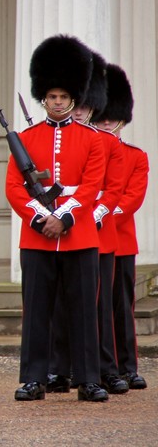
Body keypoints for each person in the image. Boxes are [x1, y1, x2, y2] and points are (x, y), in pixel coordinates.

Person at [6, 35, 108, 402]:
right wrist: (39, 219)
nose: (58, 102)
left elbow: (91, 186)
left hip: (78, 234)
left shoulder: (93, 140)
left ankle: (88, 377)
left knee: (82, 308)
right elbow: (15, 187)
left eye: (64, 97)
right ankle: (35, 377)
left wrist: (63, 218)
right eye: (52, 97)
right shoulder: (28, 138)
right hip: (37, 237)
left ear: (74, 99)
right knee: (36, 310)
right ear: (43, 99)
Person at [48, 52, 129, 395]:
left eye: (78, 103)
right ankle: (60, 369)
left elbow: (113, 190)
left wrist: (93, 215)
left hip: (99, 232)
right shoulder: (64, 136)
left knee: (99, 308)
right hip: (67, 230)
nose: (76, 109)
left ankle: (106, 369)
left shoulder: (108, 143)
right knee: (62, 308)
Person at [94, 63, 149, 390]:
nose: (107, 122)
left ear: (122, 118)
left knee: (120, 307)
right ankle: (102, 367)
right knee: (95, 308)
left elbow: (131, 198)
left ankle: (127, 366)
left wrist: (101, 214)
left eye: (112, 117)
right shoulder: (92, 151)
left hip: (121, 240)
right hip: (91, 241)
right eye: (102, 116)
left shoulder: (135, 156)